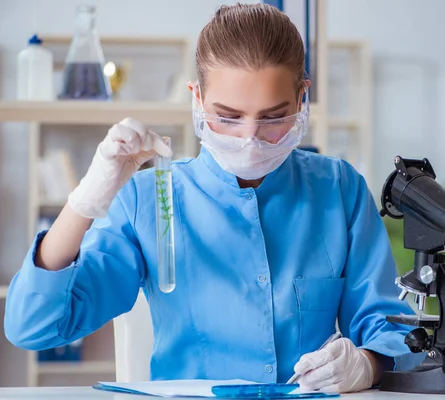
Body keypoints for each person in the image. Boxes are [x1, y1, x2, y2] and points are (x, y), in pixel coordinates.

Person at [4, 3, 414, 393]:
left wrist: (366, 363)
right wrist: (84, 202)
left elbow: (393, 331)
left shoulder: (338, 189)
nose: (249, 138)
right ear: (197, 99)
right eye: (228, 116)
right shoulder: (151, 199)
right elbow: (34, 327)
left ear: (302, 98)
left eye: (273, 118)